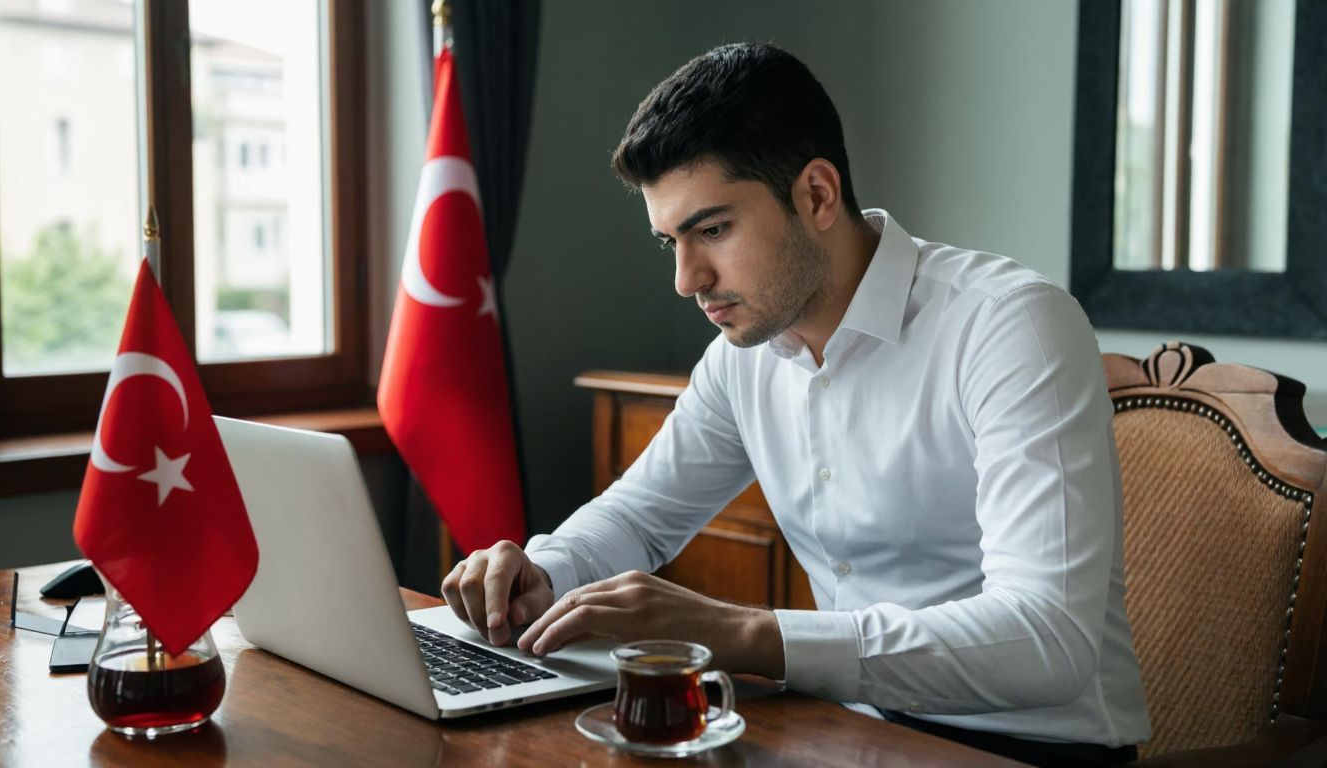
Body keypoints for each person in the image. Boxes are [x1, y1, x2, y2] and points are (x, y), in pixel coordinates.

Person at [441, 42, 1150, 766]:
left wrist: (749, 635)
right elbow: (637, 518)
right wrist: (544, 569)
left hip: (1028, 750)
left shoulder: (1010, 327)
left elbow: (1046, 639)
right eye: (670, 242)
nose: (688, 280)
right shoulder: (742, 361)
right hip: (846, 733)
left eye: (713, 230)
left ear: (817, 194)